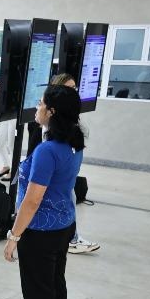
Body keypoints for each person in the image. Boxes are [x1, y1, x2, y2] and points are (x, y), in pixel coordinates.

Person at [2, 84, 85, 299]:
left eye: (40, 104)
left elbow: (32, 200)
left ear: (51, 112)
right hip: (63, 225)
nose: (36, 108)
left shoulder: (48, 151)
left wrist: (14, 236)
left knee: (39, 294)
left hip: (40, 232)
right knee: (54, 288)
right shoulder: (74, 142)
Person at [47, 74, 100, 254]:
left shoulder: (69, 116)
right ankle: (71, 239)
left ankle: (71, 237)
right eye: (69, 88)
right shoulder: (50, 119)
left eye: (75, 88)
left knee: (71, 198)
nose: (74, 91)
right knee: (67, 199)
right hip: (57, 172)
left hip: (66, 170)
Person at [0, 80, 14, 181]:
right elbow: (0, 104)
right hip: (5, 116)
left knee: (11, 144)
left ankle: (14, 170)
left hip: (14, 115)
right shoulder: (3, 79)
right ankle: (6, 166)